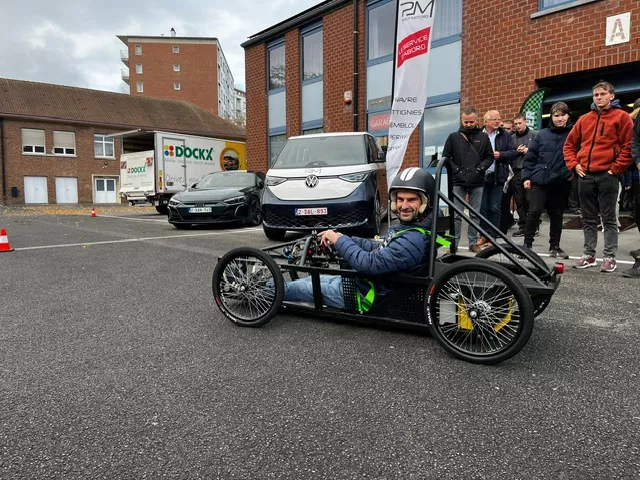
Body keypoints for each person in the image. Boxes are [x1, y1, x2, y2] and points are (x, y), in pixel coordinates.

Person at [282, 167, 438, 311]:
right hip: (367, 284)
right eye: (400, 199)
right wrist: (344, 238)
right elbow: (381, 248)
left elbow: (369, 263)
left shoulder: (411, 240)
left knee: (292, 289)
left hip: (365, 295)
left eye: (411, 200)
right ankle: (266, 289)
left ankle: (261, 291)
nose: (404, 206)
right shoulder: (413, 230)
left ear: (425, 203)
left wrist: (339, 241)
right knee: (306, 282)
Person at [563, 80, 634, 272]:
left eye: (603, 94)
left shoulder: (622, 117)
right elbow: (569, 145)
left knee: (609, 219)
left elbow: (629, 145)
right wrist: (574, 164)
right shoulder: (584, 119)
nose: (599, 97)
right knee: (588, 219)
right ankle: (589, 255)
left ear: (612, 96)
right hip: (585, 175)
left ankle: (610, 257)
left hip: (608, 176)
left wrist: (616, 169)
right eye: (596, 95)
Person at [521, 102, 573, 258]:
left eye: (563, 115)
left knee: (556, 214)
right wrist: (526, 177)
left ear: (568, 115)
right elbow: (530, 158)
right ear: (551, 116)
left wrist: (571, 173)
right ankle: (526, 246)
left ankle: (555, 247)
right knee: (534, 211)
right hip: (540, 179)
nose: (559, 119)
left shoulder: (574, 133)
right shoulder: (541, 134)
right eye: (556, 115)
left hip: (561, 181)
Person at [441, 107, 494, 253]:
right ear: (461, 120)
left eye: (471, 121)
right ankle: (453, 244)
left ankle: (472, 242)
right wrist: (457, 170)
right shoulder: (453, 137)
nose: (469, 124)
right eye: (466, 122)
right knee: (456, 214)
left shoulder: (483, 137)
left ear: (477, 120)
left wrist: (480, 169)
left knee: (475, 213)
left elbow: (489, 157)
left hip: (477, 181)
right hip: (458, 181)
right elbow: (445, 157)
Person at [478, 110, 516, 244]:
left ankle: (492, 237)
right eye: (494, 119)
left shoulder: (505, 135)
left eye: (498, 119)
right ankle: (483, 235)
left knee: (495, 207)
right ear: (486, 121)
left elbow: (513, 153)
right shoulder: (478, 135)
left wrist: (500, 155)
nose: (497, 122)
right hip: (481, 176)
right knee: (482, 208)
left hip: (498, 175)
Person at [511, 113, 538, 237]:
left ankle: (534, 226)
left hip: (530, 171)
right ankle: (523, 225)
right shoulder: (511, 138)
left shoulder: (535, 135)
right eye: (515, 124)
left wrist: (528, 151)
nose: (518, 126)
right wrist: (516, 152)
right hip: (516, 171)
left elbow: (541, 152)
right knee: (519, 200)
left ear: (525, 122)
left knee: (530, 200)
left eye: (520, 123)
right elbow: (509, 153)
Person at [623, 98, 640, 278]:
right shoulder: (635, 122)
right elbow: (634, 143)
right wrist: (638, 161)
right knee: (638, 213)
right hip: (637, 175)